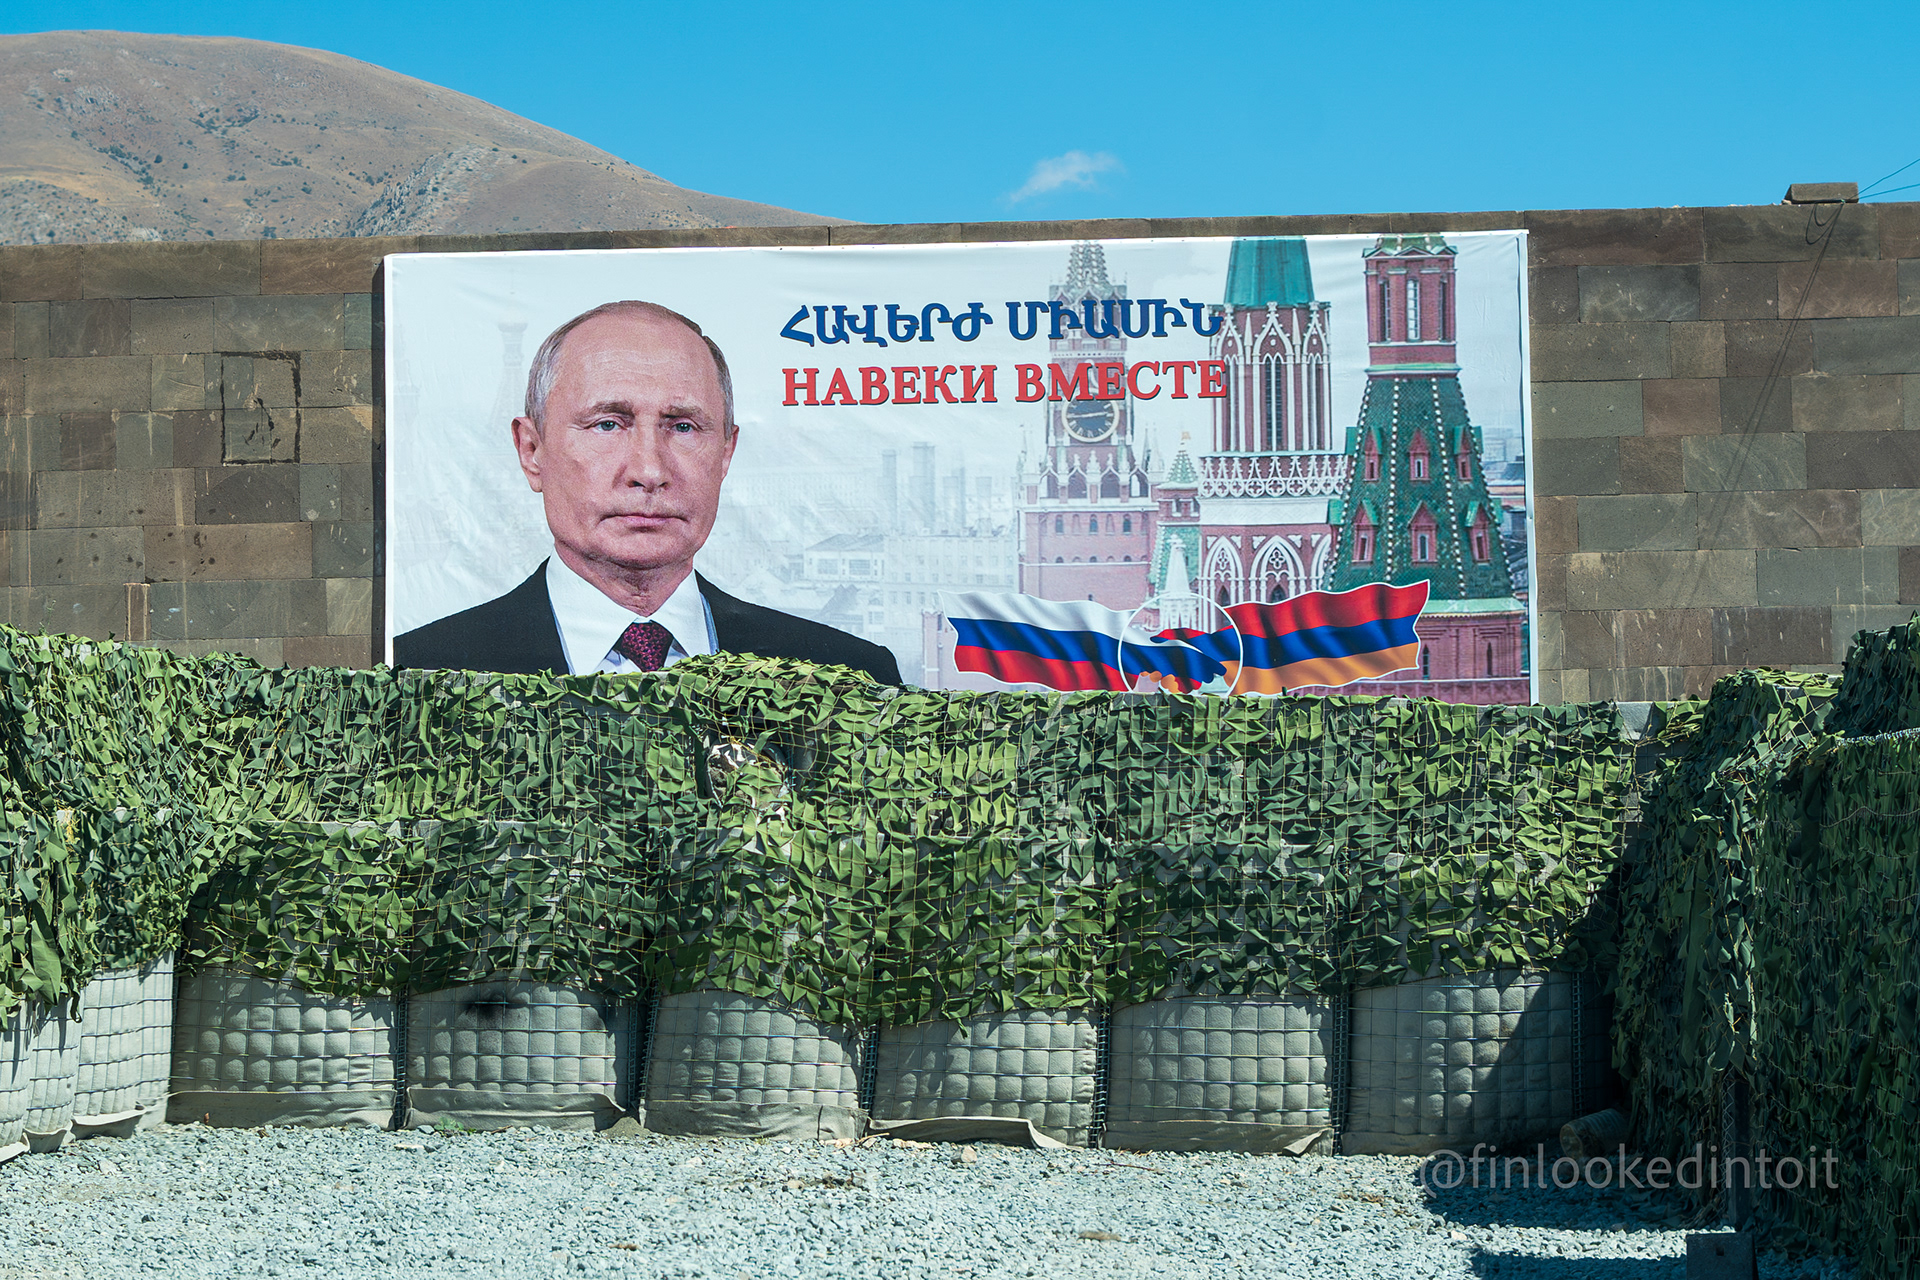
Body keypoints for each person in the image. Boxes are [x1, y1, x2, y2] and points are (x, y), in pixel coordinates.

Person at [393, 300, 901, 684]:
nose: (649, 470)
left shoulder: (848, 674)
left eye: (682, 427)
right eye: (608, 424)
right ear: (532, 451)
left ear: (726, 453)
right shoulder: (412, 678)